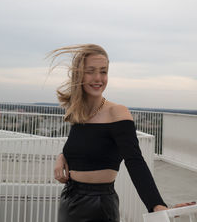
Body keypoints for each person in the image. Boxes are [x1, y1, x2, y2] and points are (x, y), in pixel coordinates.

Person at [48, 44, 195, 222]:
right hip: (69, 199)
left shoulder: (117, 112)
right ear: (79, 74)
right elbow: (84, 147)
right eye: (91, 71)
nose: (98, 78)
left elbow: (135, 160)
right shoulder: (79, 113)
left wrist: (156, 205)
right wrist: (62, 155)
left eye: (103, 71)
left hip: (98, 206)